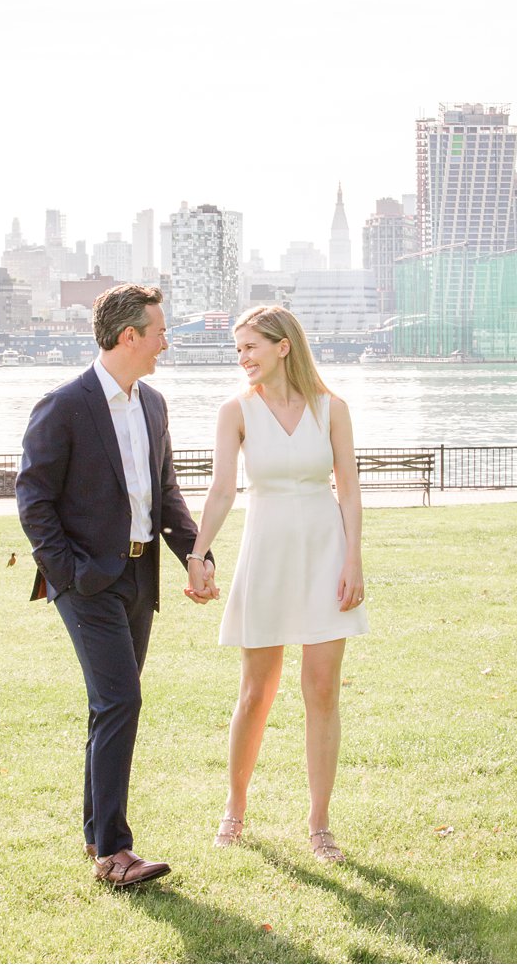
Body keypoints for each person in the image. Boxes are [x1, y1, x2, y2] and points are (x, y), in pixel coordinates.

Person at [17, 284, 217, 889]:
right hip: (86, 582)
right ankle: (114, 853)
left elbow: (167, 492)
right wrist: (70, 574)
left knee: (110, 704)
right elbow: (33, 501)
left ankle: (91, 833)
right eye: (159, 331)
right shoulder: (63, 405)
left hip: (140, 576)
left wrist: (194, 554)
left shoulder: (153, 403)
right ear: (128, 336)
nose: (166, 342)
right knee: (121, 701)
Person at [185, 304, 368, 864]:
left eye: (250, 347)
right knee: (256, 692)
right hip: (265, 554)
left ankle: (320, 826)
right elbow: (221, 491)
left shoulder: (331, 409)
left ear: (283, 346)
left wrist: (353, 561)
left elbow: (350, 489)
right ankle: (234, 811)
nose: (242, 358)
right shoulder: (235, 411)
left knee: (322, 691)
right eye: (238, 350)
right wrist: (197, 553)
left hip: (324, 552)